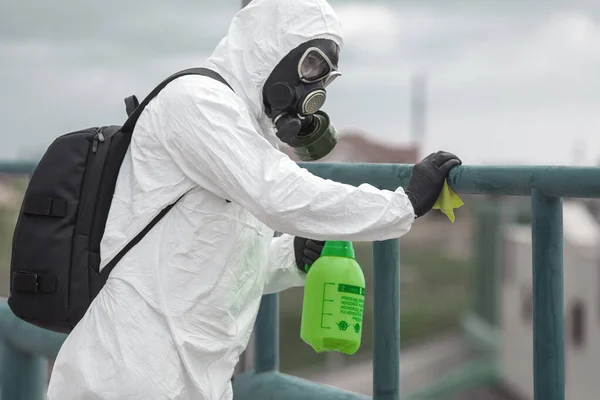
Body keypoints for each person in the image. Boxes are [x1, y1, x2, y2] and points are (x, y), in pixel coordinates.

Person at [46, 0, 461, 399]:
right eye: (310, 64)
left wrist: (290, 257)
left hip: (195, 378)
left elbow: (215, 264)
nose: (313, 85)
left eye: (325, 76)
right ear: (267, 47)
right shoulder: (196, 102)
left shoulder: (248, 133)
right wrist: (402, 203)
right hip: (128, 373)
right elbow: (278, 193)